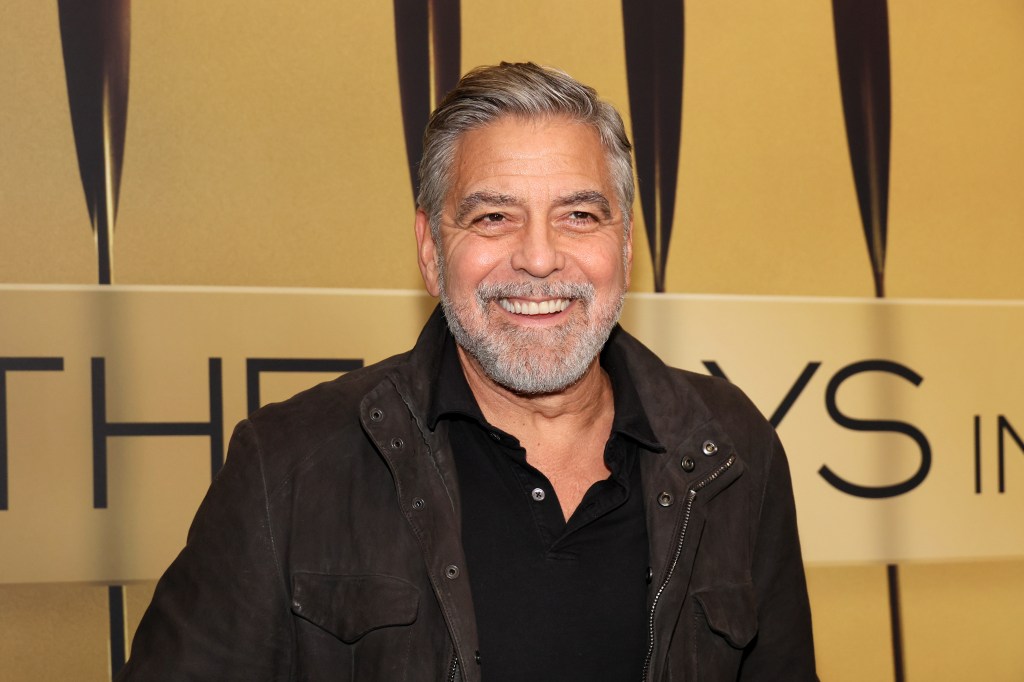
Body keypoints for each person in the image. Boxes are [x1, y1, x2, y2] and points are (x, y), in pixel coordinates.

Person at [118, 62, 816, 681]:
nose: (539, 258)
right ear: (429, 248)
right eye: (492, 217)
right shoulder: (289, 464)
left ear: (626, 246)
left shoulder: (730, 449)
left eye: (578, 215)